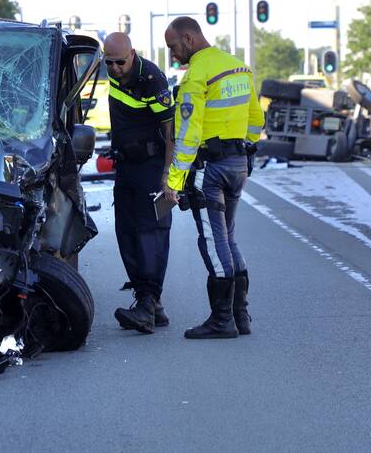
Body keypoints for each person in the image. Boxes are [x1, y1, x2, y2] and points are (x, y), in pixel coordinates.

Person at [162, 18, 263, 339]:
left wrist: (174, 181)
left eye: (174, 48)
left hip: (210, 170)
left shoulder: (197, 76)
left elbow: (189, 134)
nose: (173, 56)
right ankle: (240, 315)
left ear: (188, 39)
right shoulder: (238, 69)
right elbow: (255, 119)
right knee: (228, 236)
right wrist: (244, 151)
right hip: (238, 164)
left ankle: (222, 320)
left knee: (212, 239)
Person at [103, 33, 176, 334]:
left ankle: (148, 302)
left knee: (151, 232)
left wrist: (167, 174)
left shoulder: (152, 80)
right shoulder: (112, 74)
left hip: (150, 166)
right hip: (125, 165)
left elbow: (170, 132)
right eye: (109, 63)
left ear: (132, 54)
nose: (116, 68)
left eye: (121, 61)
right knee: (126, 231)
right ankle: (148, 301)